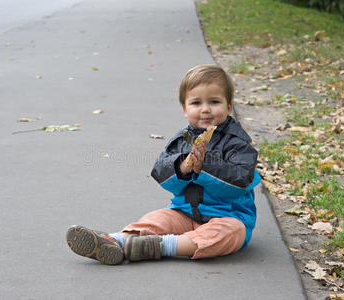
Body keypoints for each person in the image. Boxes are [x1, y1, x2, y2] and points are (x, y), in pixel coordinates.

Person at [66, 64, 261, 265]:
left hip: (227, 216)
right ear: (185, 109)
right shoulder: (181, 141)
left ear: (229, 106)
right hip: (184, 213)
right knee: (158, 218)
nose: (205, 109)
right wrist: (184, 166)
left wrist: (205, 166)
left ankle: (159, 245)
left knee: (228, 234)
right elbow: (160, 172)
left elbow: (241, 180)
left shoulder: (238, 144)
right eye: (196, 103)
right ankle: (116, 240)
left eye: (214, 101)